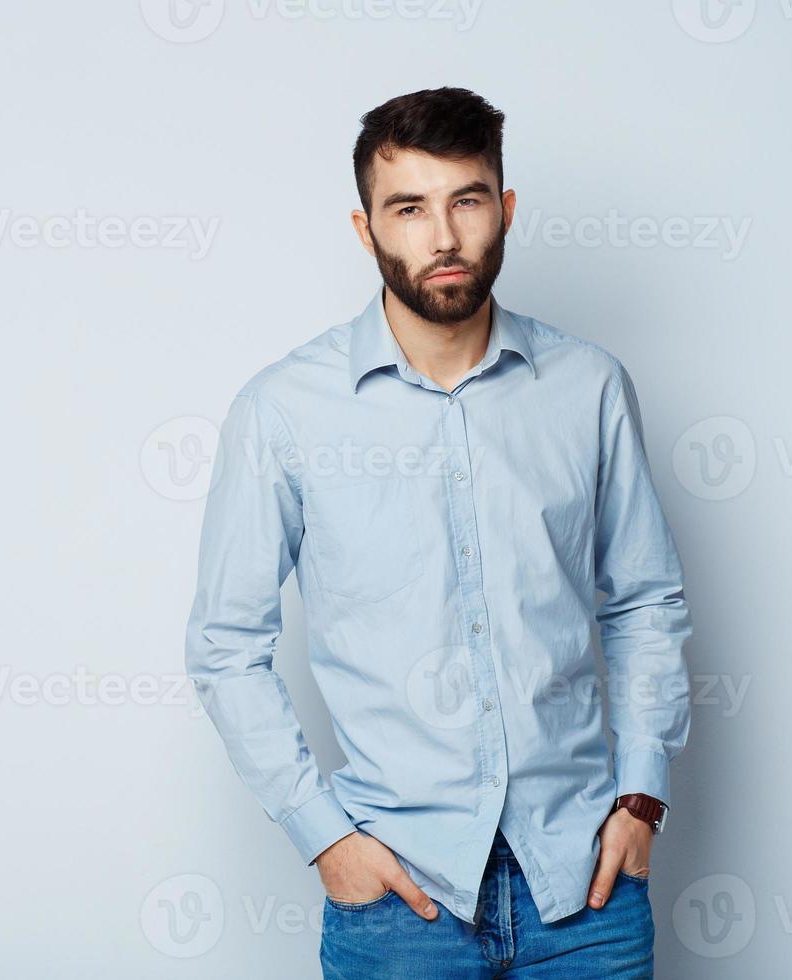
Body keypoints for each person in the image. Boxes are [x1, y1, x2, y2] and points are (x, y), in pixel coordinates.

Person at [185, 85, 692, 978]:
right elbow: (227, 647)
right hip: (397, 904)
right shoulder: (284, 412)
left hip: (588, 894)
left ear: (505, 209)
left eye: (466, 199)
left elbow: (645, 601)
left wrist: (641, 796)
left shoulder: (589, 388)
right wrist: (323, 835)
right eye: (409, 208)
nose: (444, 237)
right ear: (365, 228)